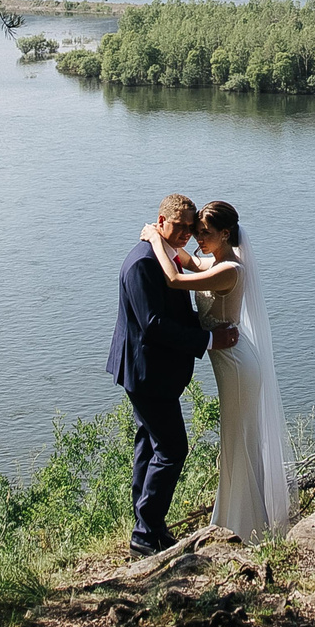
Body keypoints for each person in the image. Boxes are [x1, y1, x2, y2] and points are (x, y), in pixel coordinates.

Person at [138, 198, 293, 543]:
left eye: (204, 233)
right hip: (233, 363)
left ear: (225, 234)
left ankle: (244, 527)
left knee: (238, 443)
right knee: (235, 442)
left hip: (238, 366)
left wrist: (152, 237)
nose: (197, 239)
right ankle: (242, 520)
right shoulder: (216, 261)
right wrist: (163, 237)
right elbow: (189, 261)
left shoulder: (230, 270)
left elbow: (176, 278)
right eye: (195, 232)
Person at [106, 193, 237, 557]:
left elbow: (178, 294)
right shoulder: (143, 265)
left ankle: (148, 526)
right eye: (177, 226)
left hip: (155, 371)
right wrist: (210, 338)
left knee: (150, 444)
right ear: (160, 222)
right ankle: (146, 534)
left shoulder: (164, 255)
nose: (184, 234)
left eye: (189, 227)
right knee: (172, 447)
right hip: (146, 373)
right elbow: (153, 325)